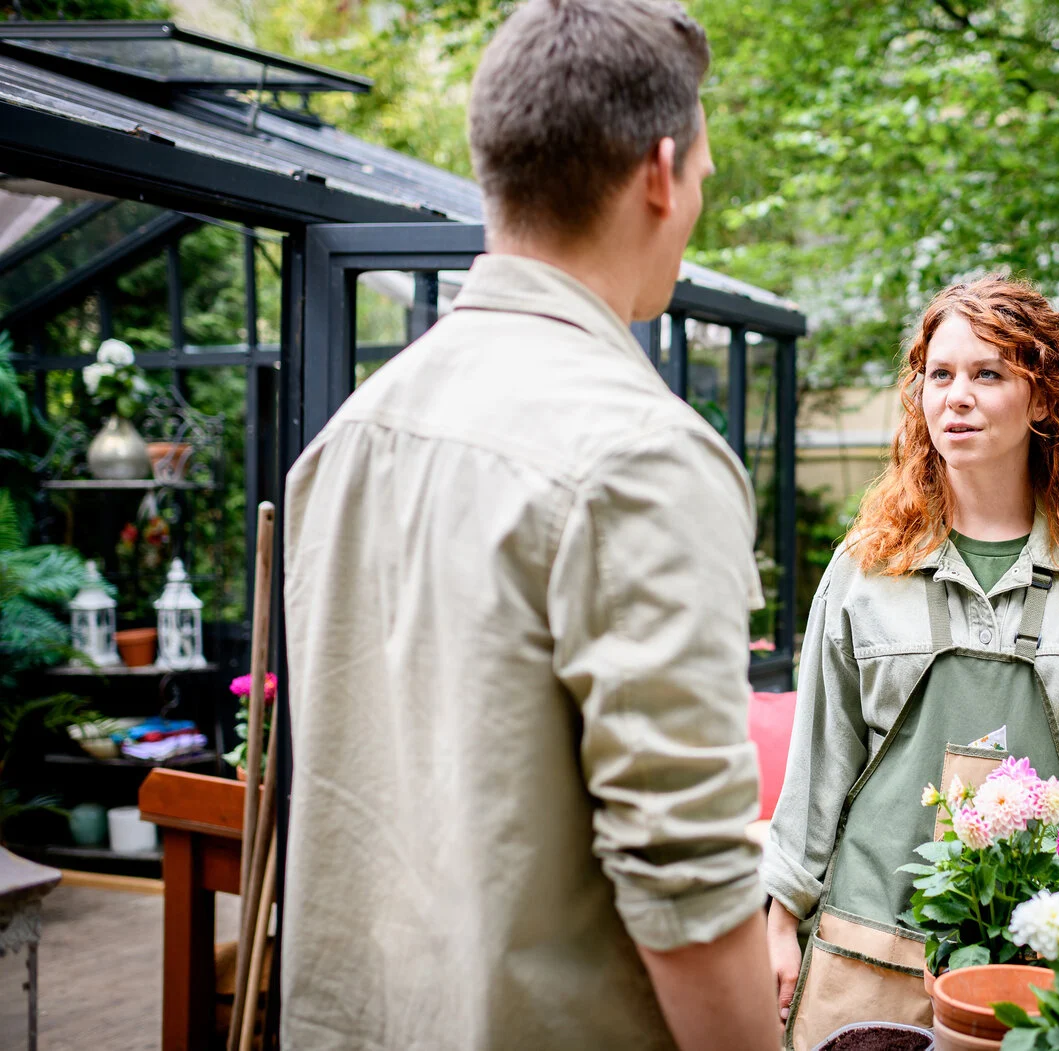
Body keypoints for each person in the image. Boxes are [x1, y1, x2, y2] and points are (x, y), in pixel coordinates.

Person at [279, 2, 778, 1048]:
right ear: (658, 170)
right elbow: (688, 888)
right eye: (701, 178)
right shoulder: (641, 454)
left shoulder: (351, 435)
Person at [761, 276, 1059, 1049]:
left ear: (1045, 397)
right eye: (940, 373)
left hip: (1046, 952)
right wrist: (780, 912)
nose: (956, 396)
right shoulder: (865, 565)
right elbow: (817, 759)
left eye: (988, 373)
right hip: (866, 943)